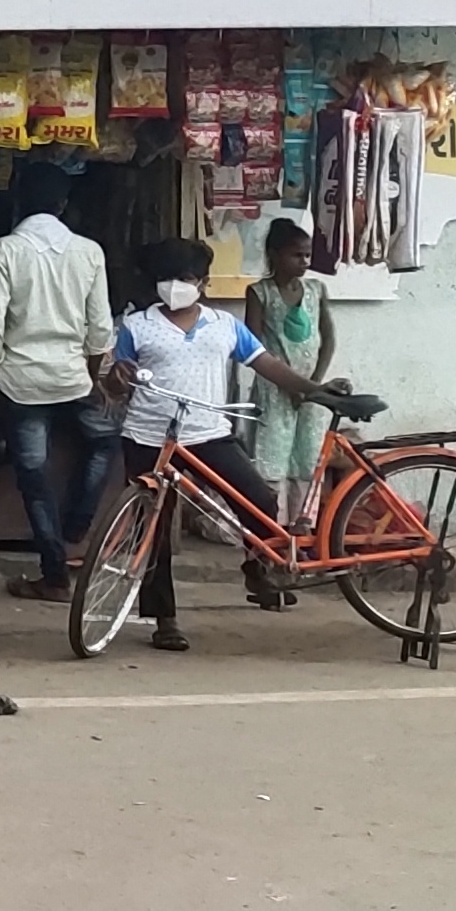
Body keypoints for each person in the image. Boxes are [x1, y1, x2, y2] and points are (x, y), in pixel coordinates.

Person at [102, 235, 362, 652]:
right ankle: (164, 619)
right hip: (149, 437)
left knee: (259, 499)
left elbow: (269, 365)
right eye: (166, 278)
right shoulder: (137, 326)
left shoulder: (224, 326)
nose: (175, 286)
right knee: (154, 530)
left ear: (203, 282)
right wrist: (117, 379)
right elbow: (116, 384)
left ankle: (256, 566)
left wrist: (317, 390)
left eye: (184, 278)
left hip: (208, 433)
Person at [0, 161, 118, 604]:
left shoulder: (5, 249)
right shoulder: (89, 252)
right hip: (72, 377)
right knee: (102, 442)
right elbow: (100, 330)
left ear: (19, 201)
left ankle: (54, 574)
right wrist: (93, 375)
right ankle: (78, 525)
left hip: (20, 381)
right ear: (63, 204)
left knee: (34, 478)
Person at [242, 218, 337, 539]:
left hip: (312, 391)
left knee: (307, 455)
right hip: (273, 390)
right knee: (272, 453)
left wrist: (313, 384)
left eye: (308, 255)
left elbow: (328, 340)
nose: (305, 262)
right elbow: (253, 348)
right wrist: (290, 384)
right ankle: (272, 526)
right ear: (274, 255)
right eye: (297, 255)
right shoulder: (260, 293)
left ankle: (303, 525)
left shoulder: (316, 290)